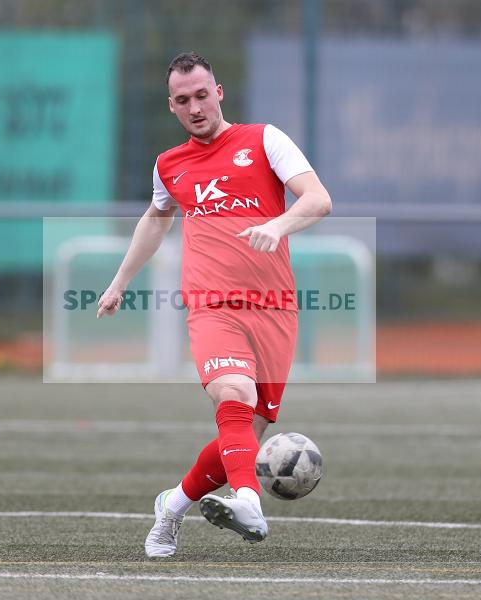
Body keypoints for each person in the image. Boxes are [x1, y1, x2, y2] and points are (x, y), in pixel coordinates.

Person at [96, 51, 331, 557]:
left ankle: (171, 506)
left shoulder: (265, 139)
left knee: (245, 434)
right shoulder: (169, 164)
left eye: (202, 95)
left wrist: (276, 224)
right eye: (183, 100)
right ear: (172, 107)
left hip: (275, 308)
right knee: (234, 394)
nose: (195, 106)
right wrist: (119, 281)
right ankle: (249, 500)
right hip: (211, 305)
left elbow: (317, 199)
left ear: (219, 92)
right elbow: (155, 220)